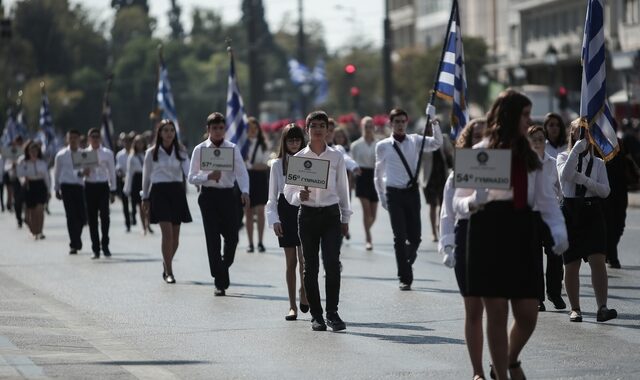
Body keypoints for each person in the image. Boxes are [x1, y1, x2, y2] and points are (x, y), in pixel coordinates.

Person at [453, 90, 568, 380]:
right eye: (526, 114)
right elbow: (457, 201)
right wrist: (473, 201)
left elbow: (546, 200)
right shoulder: (481, 150)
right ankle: (501, 375)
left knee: (528, 312)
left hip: (522, 230)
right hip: (487, 230)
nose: (530, 120)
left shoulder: (531, 155)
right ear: (510, 116)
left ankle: (509, 358)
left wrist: (558, 229)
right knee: (496, 311)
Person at [283, 111, 352, 332]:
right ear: (308, 130)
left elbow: (343, 188)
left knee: (332, 264)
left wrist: (345, 216)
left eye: (322, 125)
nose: (319, 130)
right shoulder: (299, 157)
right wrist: (297, 197)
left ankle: (333, 312)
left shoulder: (336, 156)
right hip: (308, 215)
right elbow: (288, 190)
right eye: (314, 126)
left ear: (327, 129)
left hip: (331, 215)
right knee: (310, 268)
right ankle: (317, 315)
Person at [374, 107, 442, 291]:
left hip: (412, 192)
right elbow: (378, 174)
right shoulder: (383, 146)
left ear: (407, 122)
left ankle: (406, 262)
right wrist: (382, 197)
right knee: (399, 237)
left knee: (416, 237)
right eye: (397, 122)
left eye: (403, 121)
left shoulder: (415, 140)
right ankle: (404, 276)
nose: (400, 125)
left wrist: (434, 120)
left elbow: (436, 143)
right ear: (390, 124)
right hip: (393, 193)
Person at [439, 118, 486, 380]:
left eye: (485, 135)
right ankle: (477, 370)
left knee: (498, 308)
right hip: (467, 234)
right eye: (475, 136)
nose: (480, 140)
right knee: (474, 309)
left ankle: (501, 361)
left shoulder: (504, 167)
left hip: (496, 236)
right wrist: (448, 245)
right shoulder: (458, 172)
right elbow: (448, 212)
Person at [557, 118, 617, 323]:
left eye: (586, 132)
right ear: (572, 135)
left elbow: (605, 191)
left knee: (597, 261)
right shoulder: (563, 156)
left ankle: (602, 307)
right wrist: (575, 150)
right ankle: (575, 308)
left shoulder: (598, 163)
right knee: (571, 264)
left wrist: (584, 180)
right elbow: (565, 175)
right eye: (578, 131)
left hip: (592, 212)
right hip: (571, 211)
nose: (583, 135)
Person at [188, 112, 250, 296]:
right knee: (213, 239)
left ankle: (223, 267)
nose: (217, 131)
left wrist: (245, 191)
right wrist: (207, 176)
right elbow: (191, 177)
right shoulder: (200, 150)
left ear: (225, 129)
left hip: (228, 196)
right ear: (208, 130)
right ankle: (219, 280)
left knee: (233, 237)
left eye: (221, 128)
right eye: (214, 128)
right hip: (208, 197)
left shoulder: (232, 149)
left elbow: (242, 172)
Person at [265, 123, 309, 320]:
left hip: (305, 208)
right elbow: (272, 197)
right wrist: (274, 219)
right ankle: (292, 305)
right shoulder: (277, 164)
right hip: (285, 210)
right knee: (291, 261)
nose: (294, 143)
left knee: (305, 260)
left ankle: (304, 291)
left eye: (297, 139)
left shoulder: (309, 160)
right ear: (284, 141)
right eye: (290, 139)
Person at [141, 120, 192, 284]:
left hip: (177, 192)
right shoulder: (151, 152)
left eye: (172, 130)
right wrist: (145, 197)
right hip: (159, 193)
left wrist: (202, 179)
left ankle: (166, 262)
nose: (169, 133)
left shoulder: (181, 151)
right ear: (160, 133)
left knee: (176, 238)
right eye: (166, 130)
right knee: (167, 234)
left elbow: (189, 172)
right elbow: (146, 176)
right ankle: (169, 271)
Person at [526, 125, 566, 311]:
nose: (537, 142)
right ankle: (537, 297)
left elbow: (560, 189)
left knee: (555, 255)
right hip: (531, 215)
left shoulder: (552, 162)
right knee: (533, 258)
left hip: (549, 214)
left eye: (541, 139)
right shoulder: (523, 164)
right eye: (533, 139)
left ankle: (555, 292)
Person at [83, 128, 116, 259]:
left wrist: (113, 190)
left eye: (97, 136)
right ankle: (95, 248)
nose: (95, 139)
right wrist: (82, 173)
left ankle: (105, 245)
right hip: (89, 185)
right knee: (92, 218)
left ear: (100, 138)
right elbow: (77, 173)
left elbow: (112, 172)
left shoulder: (107, 153)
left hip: (103, 186)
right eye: (93, 136)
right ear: (89, 139)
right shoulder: (84, 153)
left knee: (105, 217)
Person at [53, 130, 87, 254]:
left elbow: (87, 170)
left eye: (75, 138)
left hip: (79, 187)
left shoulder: (84, 154)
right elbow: (56, 173)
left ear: (79, 139)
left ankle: (76, 237)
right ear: (67, 139)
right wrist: (56, 189)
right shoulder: (61, 155)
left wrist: (86, 173)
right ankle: (74, 243)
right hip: (66, 186)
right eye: (71, 138)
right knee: (71, 215)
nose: (73, 140)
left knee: (82, 217)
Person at [350, 116, 379, 250]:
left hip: (375, 177)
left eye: (370, 126)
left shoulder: (379, 144)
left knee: (373, 215)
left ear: (374, 127)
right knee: (366, 212)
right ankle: (368, 238)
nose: (368, 129)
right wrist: (350, 183)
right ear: (362, 127)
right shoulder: (356, 145)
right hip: (362, 177)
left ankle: (367, 229)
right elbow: (351, 165)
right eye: (366, 126)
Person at [420, 128, 453, 243]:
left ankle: (440, 227)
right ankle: (433, 231)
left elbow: (450, 153)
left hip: (442, 175)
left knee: (442, 204)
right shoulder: (423, 141)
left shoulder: (443, 138)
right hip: (429, 177)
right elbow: (419, 160)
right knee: (432, 205)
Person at [244, 117, 271, 253]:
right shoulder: (242, 144)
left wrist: (250, 165)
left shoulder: (263, 144)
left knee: (261, 211)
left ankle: (260, 241)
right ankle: (250, 243)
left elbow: (264, 165)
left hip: (259, 180)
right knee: (248, 212)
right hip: (246, 179)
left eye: (254, 127)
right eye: (249, 128)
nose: (252, 130)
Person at [603, 137, 629, 269]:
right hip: (606, 194)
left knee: (620, 225)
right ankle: (612, 257)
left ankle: (609, 251)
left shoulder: (621, 144)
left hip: (621, 192)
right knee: (610, 225)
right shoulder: (599, 148)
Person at [16, 140, 50, 240]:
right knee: (32, 210)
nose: (34, 153)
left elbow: (46, 177)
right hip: (29, 185)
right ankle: (34, 231)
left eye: (35, 151)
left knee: (40, 209)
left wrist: (49, 190)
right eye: (31, 151)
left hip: (40, 185)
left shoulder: (42, 162)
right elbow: (19, 174)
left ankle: (40, 231)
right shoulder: (22, 161)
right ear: (28, 151)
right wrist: (23, 180)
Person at [125, 134, 152, 235]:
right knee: (140, 206)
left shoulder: (148, 154)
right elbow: (129, 173)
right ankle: (143, 226)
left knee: (149, 205)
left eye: (141, 142)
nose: (139, 144)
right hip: (137, 180)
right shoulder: (132, 157)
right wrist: (127, 188)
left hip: (147, 179)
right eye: (137, 143)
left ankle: (148, 223)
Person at [115, 132, 134, 232]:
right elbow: (118, 167)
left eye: (128, 142)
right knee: (125, 203)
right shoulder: (120, 155)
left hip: (134, 180)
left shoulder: (134, 153)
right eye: (125, 142)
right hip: (124, 180)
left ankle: (134, 216)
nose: (127, 144)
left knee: (136, 201)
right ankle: (127, 223)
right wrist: (120, 173)